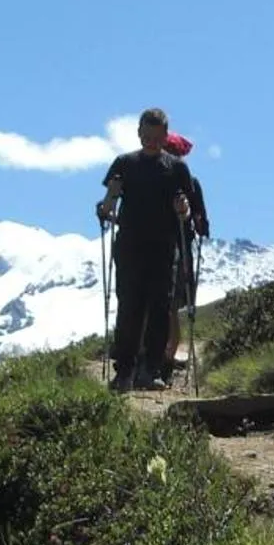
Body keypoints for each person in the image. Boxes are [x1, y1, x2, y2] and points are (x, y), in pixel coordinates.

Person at [96, 109, 193, 391]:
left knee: (160, 309)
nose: (151, 141)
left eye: (157, 137)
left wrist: (183, 210)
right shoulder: (124, 164)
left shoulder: (176, 168)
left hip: (163, 247)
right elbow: (106, 209)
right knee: (129, 307)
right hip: (130, 246)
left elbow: (186, 212)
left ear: (165, 136)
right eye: (147, 136)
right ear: (139, 133)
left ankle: (150, 369)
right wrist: (111, 195)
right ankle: (125, 370)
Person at [159, 132, 210, 374]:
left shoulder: (161, 180)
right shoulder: (192, 181)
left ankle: (163, 354)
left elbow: (199, 219)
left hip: (173, 246)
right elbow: (202, 223)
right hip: (180, 246)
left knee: (166, 303)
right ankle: (165, 353)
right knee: (170, 304)